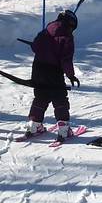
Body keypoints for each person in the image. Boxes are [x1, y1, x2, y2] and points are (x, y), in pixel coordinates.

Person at [25, 9, 80, 141]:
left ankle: (34, 125)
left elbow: (35, 46)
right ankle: (63, 128)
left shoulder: (47, 30)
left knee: (40, 96)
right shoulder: (67, 37)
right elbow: (66, 59)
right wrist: (71, 75)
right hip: (54, 71)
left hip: (38, 69)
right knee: (59, 97)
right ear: (71, 25)